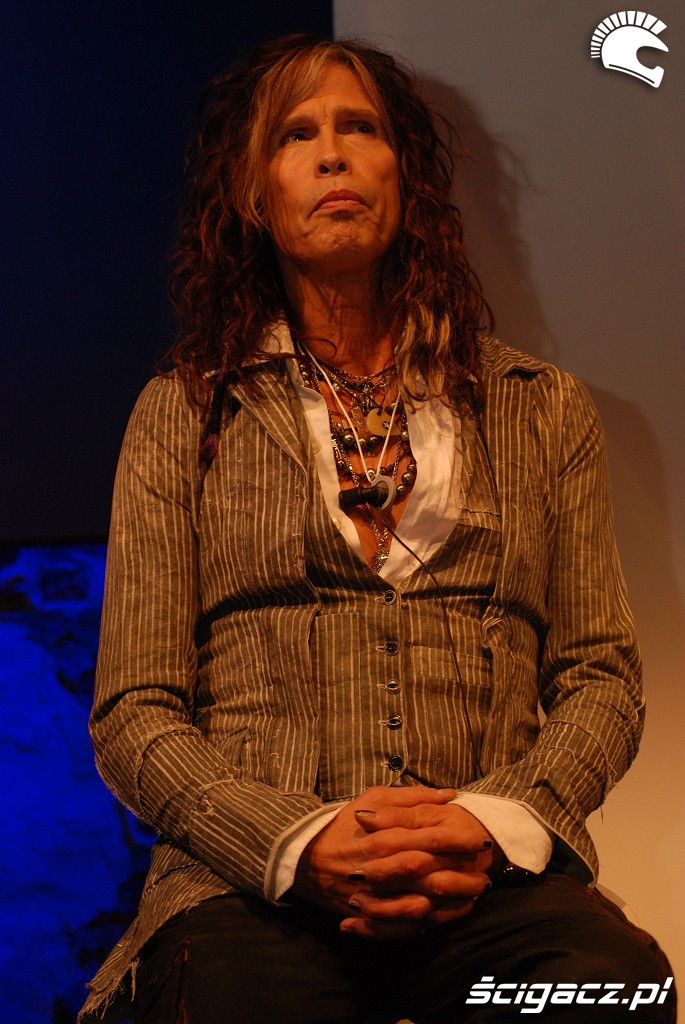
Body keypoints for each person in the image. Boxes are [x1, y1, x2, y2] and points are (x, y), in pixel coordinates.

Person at [79, 34, 675, 1024]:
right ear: (254, 195)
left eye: (358, 128)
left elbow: (601, 677)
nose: (331, 155)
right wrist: (297, 842)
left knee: (606, 991)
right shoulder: (183, 411)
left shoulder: (540, 407)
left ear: (405, 176)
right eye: (295, 135)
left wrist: (486, 824)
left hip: (489, 884)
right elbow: (133, 711)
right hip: (248, 889)